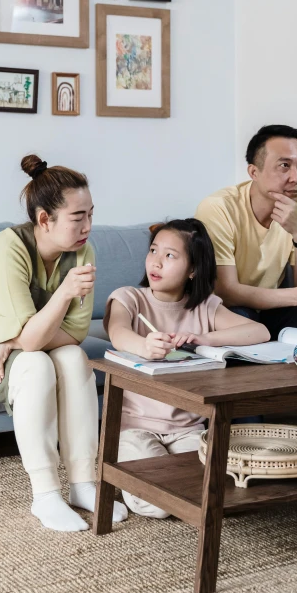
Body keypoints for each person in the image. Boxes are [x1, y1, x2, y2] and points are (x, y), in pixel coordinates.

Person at [0, 154, 127, 532]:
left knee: (72, 356)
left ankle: (84, 484)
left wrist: (10, 340)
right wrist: (62, 295)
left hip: (12, 343)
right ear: (44, 220)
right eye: (77, 217)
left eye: (91, 214)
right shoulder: (7, 251)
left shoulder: (83, 251)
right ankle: (46, 494)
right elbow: (34, 344)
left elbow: (74, 334)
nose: (88, 226)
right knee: (35, 365)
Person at [104, 219, 269, 518]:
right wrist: (143, 346)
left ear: (193, 269)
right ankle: (117, 463)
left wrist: (203, 338)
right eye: (153, 250)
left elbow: (259, 331)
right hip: (135, 428)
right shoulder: (130, 297)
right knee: (157, 504)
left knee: (215, 489)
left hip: (188, 430)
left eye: (170, 255)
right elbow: (117, 332)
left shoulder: (205, 307)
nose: (156, 261)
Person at [195, 125, 297, 338]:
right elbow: (225, 291)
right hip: (223, 311)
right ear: (254, 172)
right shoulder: (218, 208)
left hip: (270, 310)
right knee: (242, 317)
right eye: (284, 165)